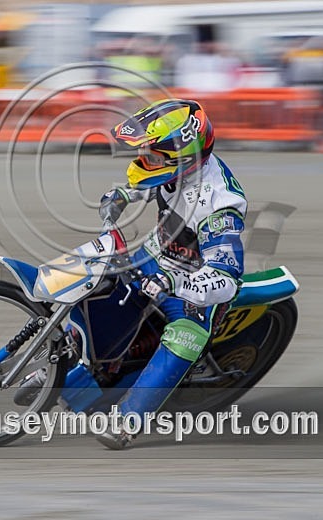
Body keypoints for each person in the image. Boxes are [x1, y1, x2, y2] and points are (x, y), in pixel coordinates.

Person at [95, 99, 247, 449]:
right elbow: (155, 182)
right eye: (144, 152)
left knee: (184, 338)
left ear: (184, 157)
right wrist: (124, 195)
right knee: (99, 280)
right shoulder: (178, 167)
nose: (143, 160)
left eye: (152, 155)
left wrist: (175, 283)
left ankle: (127, 420)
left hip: (194, 284)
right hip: (155, 254)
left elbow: (227, 278)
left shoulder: (220, 205)